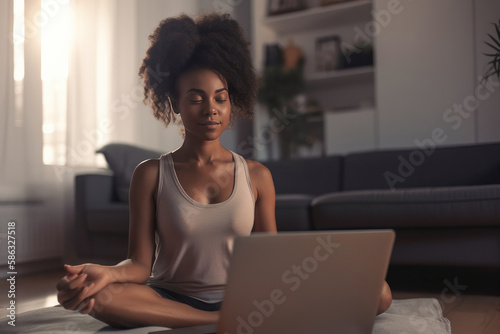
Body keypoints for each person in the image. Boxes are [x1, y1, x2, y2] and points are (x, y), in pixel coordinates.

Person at [56, 12, 392, 329]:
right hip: (168, 296)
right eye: (196, 98)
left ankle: (228, 317)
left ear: (232, 102)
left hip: (245, 298)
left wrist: (316, 277)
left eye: (220, 98)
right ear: (174, 103)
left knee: (379, 292)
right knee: (97, 295)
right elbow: (140, 265)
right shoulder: (151, 174)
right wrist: (106, 273)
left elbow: (269, 261)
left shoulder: (257, 176)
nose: (211, 110)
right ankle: (215, 323)